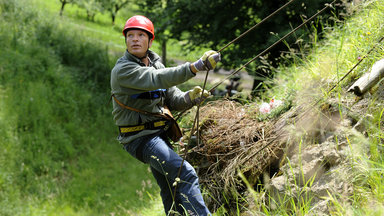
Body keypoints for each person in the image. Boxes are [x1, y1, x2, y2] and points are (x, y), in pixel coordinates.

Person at [110, 15, 220, 216]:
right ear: (125, 40)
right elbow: (157, 78)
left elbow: (174, 98)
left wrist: (190, 97)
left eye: (140, 35)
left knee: (172, 187)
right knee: (184, 173)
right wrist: (196, 66)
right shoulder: (122, 70)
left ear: (150, 40)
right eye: (130, 35)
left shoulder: (155, 64)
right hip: (139, 139)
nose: (135, 39)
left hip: (158, 136)